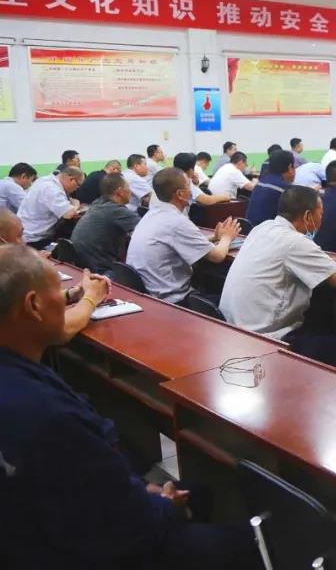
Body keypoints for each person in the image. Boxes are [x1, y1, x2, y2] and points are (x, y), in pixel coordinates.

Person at [0, 244, 259, 570]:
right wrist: (166, 505)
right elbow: (128, 522)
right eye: (59, 292)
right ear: (34, 306)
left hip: (37, 534)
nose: (67, 301)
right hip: (92, 550)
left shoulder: (22, 382)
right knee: (248, 541)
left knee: (198, 493)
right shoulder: (48, 415)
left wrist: (140, 489)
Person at [221, 186, 336, 342]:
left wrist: (330, 265)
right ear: (308, 216)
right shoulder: (295, 242)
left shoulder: (262, 228)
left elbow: (285, 263)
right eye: (321, 214)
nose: (321, 220)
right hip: (263, 337)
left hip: (229, 325)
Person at [126, 169, 239, 304]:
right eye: (189, 185)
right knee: (234, 300)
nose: (192, 190)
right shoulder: (176, 221)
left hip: (149, 294)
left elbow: (174, 241)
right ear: (180, 194)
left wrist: (214, 238)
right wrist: (227, 237)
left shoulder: (152, 214)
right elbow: (217, 256)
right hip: (173, 301)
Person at [69, 172, 142, 273]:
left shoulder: (98, 203)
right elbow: (146, 229)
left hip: (82, 264)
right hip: (101, 270)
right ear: (119, 192)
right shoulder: (116, 211)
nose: (130, 191)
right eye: (128, 188)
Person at [18, 166, 83, 248]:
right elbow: (68, 214)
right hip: (34, 239)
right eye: (78, 185)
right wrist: (76, 204)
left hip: (27, 232)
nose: (76, 189)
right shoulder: (52, 189)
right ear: (71, 179)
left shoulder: (45, 180)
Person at [245, 150, 295, 227]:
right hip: (267, 232)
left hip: (251, 230)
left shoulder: (260, 183)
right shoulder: (284, 189)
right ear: (290, 167)